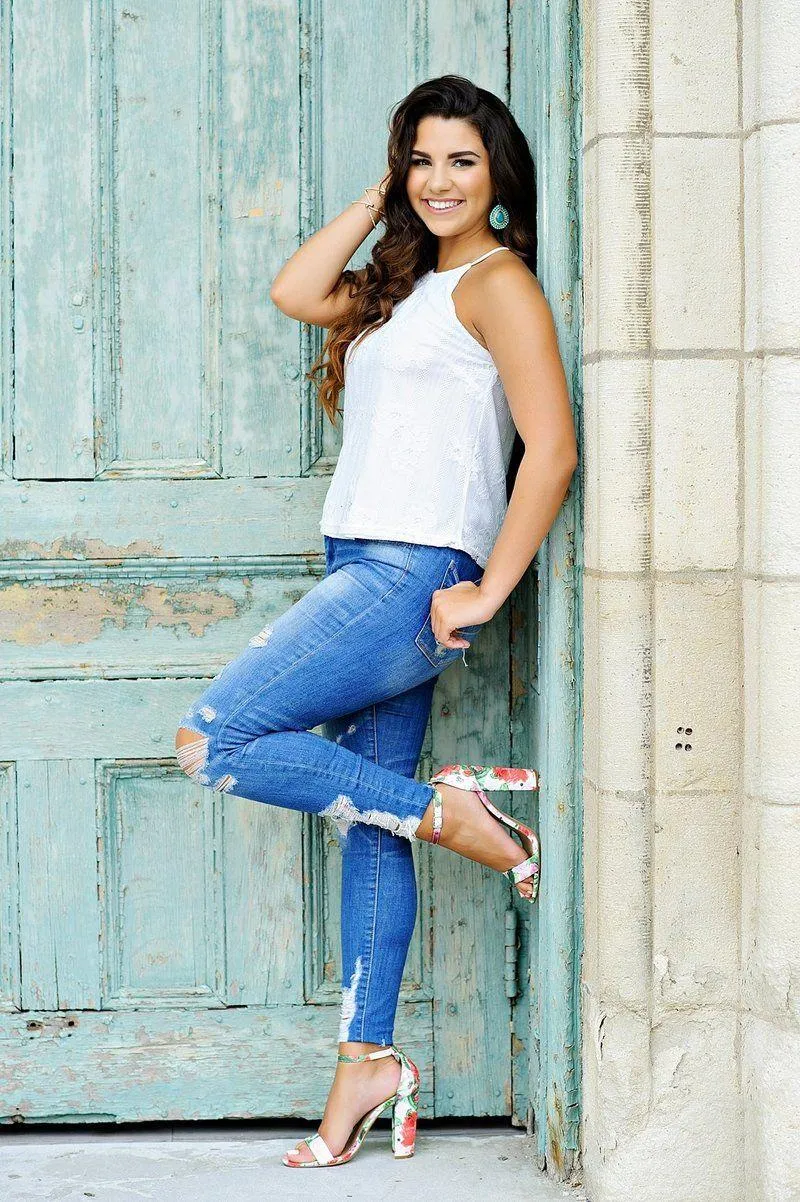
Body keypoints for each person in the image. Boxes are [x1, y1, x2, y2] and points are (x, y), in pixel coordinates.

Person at [174, 73, 577, 1169]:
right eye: (422, 159)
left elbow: (551, 444)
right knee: (370, 822)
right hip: (363, 552)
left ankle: (449, 815)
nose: (439, 181)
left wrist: (486, 587)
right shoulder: (409, 287)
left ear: (499, 177)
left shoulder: (496, 283)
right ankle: (366, 1060)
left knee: (214, 740)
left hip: (410, 569)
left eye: (462, 160)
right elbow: (296, 290)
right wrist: (378, 203)